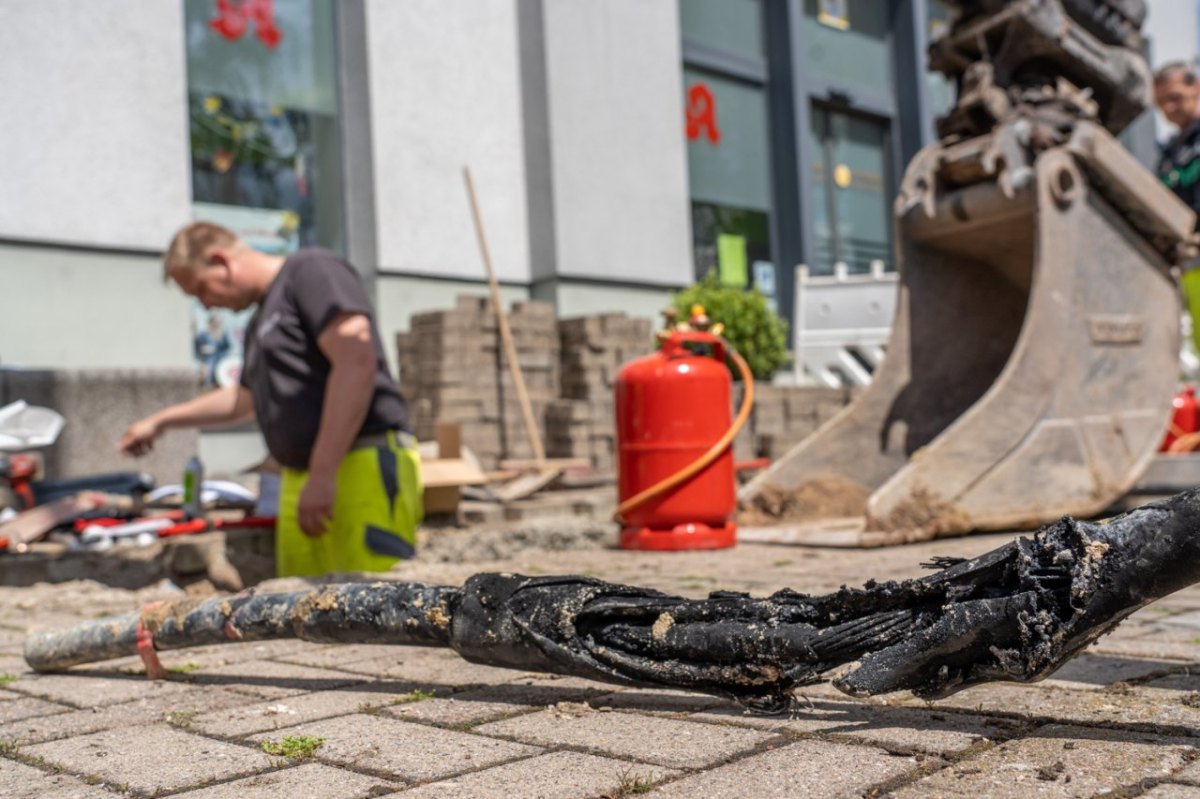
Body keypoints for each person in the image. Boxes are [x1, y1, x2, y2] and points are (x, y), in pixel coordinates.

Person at [119, 222, 422, 578]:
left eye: (202, 289)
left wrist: (323, 473)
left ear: (221, 261)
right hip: (304, 476)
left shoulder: (311, 271)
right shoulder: (261, 320)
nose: (207, 304)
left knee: (379, 609)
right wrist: (162, 421)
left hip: (359, 466)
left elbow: (356, 359)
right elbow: (244, 399)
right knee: (304, 616)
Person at [1154, 62, 1200, 353]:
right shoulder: (1169, 153)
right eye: (1161, 103)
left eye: (1174, 97)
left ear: (1196, 88)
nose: (1169, 108)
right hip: (1191, 263)